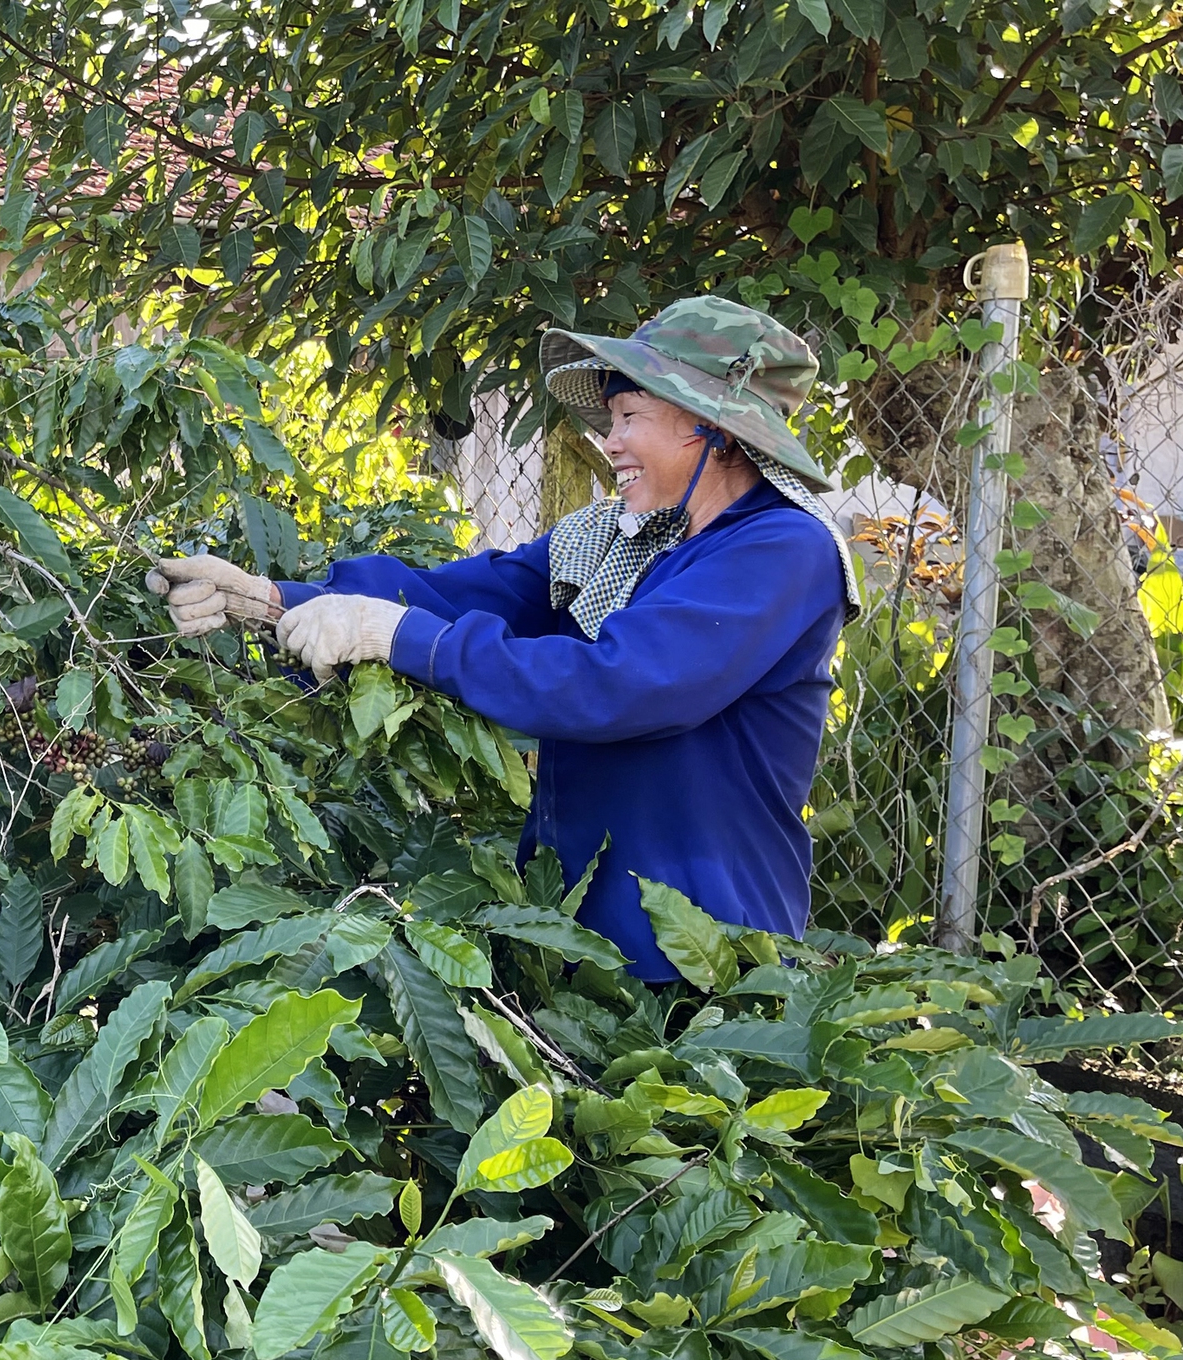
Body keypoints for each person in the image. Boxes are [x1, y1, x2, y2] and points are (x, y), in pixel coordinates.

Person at [148, 297, 858, 981]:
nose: (609, 442)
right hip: (569, 935)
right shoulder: (612, 538)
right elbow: (458, 593)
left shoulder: (783, 550)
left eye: (630, 416)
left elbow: (621, 684)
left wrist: (404, 639)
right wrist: (271, 598)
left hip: (708, 958)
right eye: (610, 418)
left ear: (713, 426)